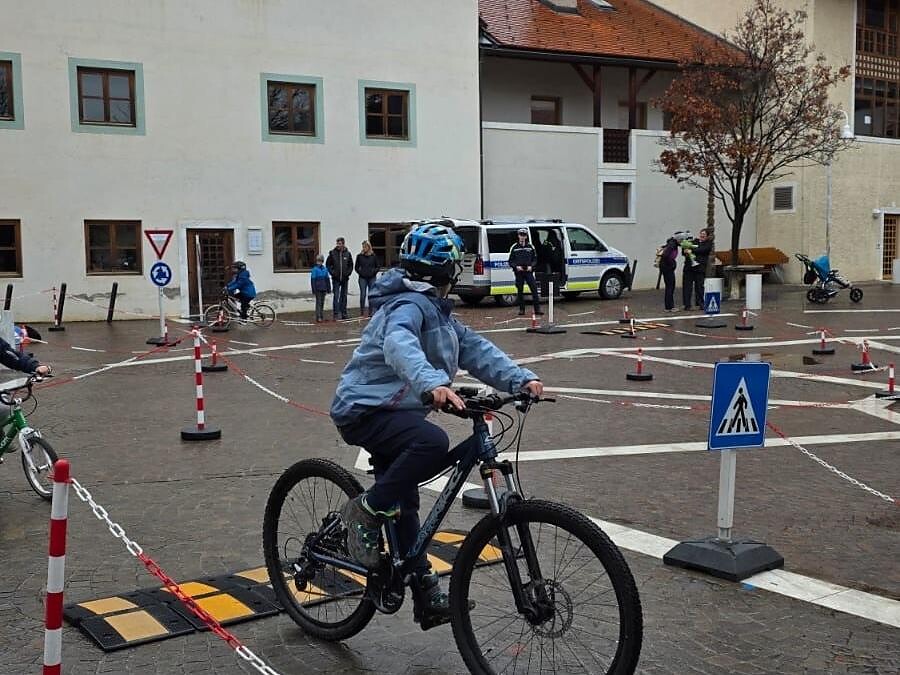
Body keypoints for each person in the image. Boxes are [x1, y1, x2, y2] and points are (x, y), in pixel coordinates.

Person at [331, 221, 543, 630]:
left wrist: (520, 379)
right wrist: (433, 386)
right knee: (431, 442)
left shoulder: (440, 315)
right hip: (365, 409)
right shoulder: (406, 308)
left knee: (408, 497)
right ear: (446, 274)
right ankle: (367, 510)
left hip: (399, 412)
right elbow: (399, 346)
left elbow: (478, 350)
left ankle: (424, 591)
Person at [507, 228, 543, 316]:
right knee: (520, 291)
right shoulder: (514, 247)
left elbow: (535, 259)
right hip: (519, 272)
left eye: (524, 235)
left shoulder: (530, 247)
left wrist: (532, 266)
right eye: (521, 235)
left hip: (528, 272)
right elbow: (510, 261)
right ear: (518, 236)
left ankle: (537, 309)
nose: (522, 237)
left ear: (526, 236)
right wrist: (516, 267)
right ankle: (522, 309)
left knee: (534, 289)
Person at [680, 229, 713, 310]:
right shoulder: (694, 241)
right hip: (689, 268)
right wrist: (685, 249)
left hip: (700, 269)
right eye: (701, 234)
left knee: (699, 287)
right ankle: (687, 305)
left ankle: (700, 304)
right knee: (687, 287)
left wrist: (691, 250)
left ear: (707, 236)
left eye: (704, 234)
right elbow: (684, 252)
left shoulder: (708, 244)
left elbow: (701, 250)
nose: (702, 235)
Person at [326, 237, 353, 320]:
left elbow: (351, 265)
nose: (338, 245)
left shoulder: (347, 253)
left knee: (344, 296)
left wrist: (347, 273)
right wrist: (333, 273)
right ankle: (335, 314)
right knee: (336, 296)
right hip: (336, 279)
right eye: (337, 243)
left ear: (343, 244)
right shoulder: (332, 253)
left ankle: (344, 313)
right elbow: (328, 265)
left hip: (345, 279)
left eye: (340, 243)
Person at [354, 240, 380, 317]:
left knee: (371, 294)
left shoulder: (373, 256)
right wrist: (360, 272)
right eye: (363, 246)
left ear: (369, 247)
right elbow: (356, 267)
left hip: (372, 278)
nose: (364, 248)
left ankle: (371, 312)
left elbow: (378, 266)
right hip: (362, 278)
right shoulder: (359, 256)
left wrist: (373, 272)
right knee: (363, 294)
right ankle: (362, 311)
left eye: (365, 246)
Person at [659, 236, 679, 312]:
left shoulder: (671, 244)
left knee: (670, 286)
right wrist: (672, 264)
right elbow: (665, 255)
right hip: (667, 268)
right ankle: (669, 307)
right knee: (670, 286)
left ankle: (669, 306)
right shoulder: (672, 245)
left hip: (666, 267)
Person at [310, 254, 331, 323]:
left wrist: (329, 288)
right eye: (318, 261)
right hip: (318, 289)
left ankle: (321, 315)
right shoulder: (314, 269)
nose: (319, 262)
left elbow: (327, 279)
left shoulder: (325, 269)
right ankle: (318, 316)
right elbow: (313, 280)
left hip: (324, 288)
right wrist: (313, 289)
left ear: (322, 261)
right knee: (318, 302)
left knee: (322, 303)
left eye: (320, 261)